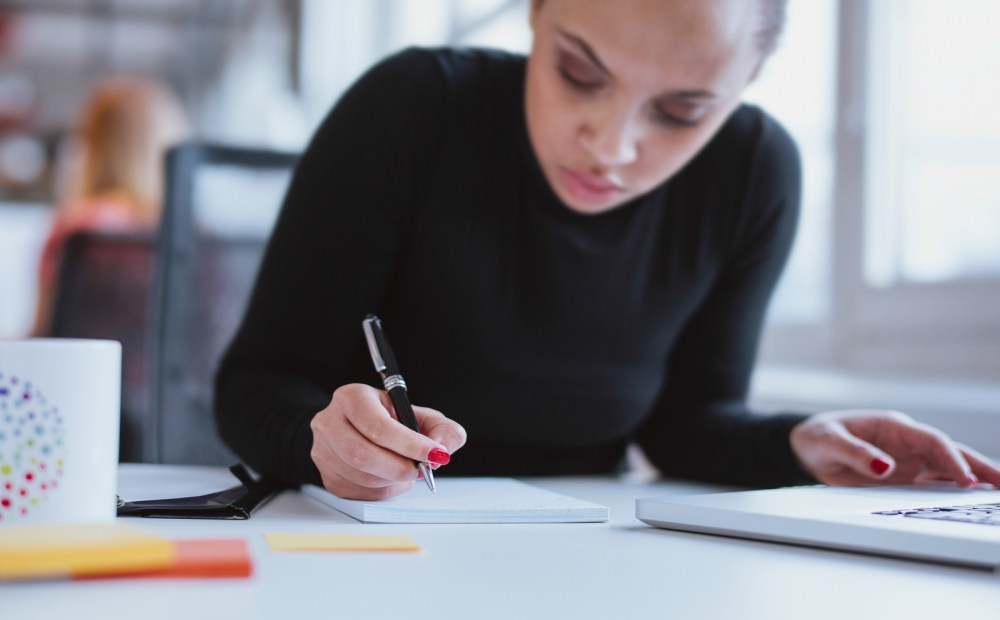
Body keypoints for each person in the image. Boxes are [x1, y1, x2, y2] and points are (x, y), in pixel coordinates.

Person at [215, 0, 1000, 500]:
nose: (612, 147)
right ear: (534, 13)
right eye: (579, 72)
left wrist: (798, 442)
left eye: (683, 110)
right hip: (363, 555)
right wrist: (320, 436)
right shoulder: (412, 110)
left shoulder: (755, 173)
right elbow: (254, 382)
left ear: (747, 83)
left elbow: (684, 424)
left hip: (590, 556)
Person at [31, 76, 189, 336]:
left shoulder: (77, 227)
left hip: (85, 376)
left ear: (92, 145)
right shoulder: (193, 234)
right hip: (182, 379)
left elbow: (43, 332)